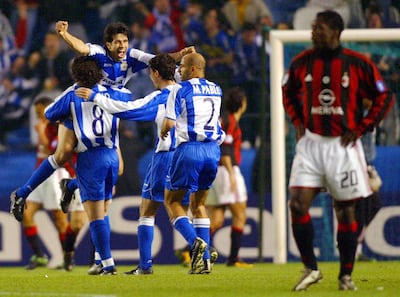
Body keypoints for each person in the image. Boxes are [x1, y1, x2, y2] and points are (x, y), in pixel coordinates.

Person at [282, 10, 394, 291]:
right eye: (312, 27)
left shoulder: (358, 64)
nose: (313, 32)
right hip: (310, 144)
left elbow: (384, 96)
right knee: (296, 204)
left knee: (344, 212)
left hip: (343, 147)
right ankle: (311, 268)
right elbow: (287, 92)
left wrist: (363, 126)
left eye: (318, 28)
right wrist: (297, 122)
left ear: (335, 31)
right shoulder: (301, 63)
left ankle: (345, 275)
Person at [75, 53, 191, 275]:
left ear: (155, 74)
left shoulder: (162, 95)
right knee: (189, 208)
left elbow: (129, 109)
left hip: (166, 156)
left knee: (147, 211)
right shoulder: (188, 91)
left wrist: (95, 97)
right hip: (190, 155)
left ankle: (147, 265)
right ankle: (202, 255)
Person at [160, 52, 225, 274]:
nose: (179, 71)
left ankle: (195, 243)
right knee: (199, 205)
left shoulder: (181, 90)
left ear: (194, 69)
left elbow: (169, 123)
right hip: (212, 150)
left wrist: (162, 134)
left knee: (171, 201)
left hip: (189, 149)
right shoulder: (217, 89)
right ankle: (204, 262)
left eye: (183, 68)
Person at [19, 96, 85, 271]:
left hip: (56, 175)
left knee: (59, 219)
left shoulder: (59, 125)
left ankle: (67, 258)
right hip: (40, 176)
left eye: (41, 112)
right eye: (37, 113)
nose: (40, 116)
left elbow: (56, 153)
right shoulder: (46, 126)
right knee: (26, 213)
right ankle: (40, 256)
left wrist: (41, 132)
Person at [206, 86, 253, 268]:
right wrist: (232, 175)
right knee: (240, 213)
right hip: (226, 170)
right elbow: (225, 150)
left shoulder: (223, 119)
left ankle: (190, 248)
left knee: (216, 219)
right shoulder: (230, 121)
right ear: (242, 104)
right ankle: (233, 259)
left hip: (215, 172)